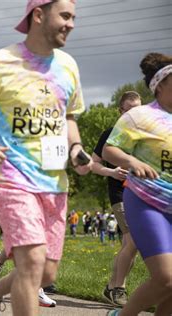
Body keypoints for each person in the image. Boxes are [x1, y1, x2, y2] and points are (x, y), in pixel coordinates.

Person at [0, 0, 93, 314]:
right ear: (39, 15)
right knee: (31, 262)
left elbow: (69, 118)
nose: (71, 24)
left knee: (45, 272)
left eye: (73, 17)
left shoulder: (68, 66)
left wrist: (76, 148)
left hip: (55, 182)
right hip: (12, 178)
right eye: (65, 16)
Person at [104, 52, 172, 316]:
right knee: (166, 278)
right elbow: (110, 150)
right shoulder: (139, 116)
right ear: (161, 84)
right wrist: (132, 161)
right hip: (147, 202)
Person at [91, 90, 141, 306]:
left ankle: (112, 288)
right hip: (120, 194)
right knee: (133, 241)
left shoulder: (144, 137)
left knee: (130, 247)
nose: (134, 114)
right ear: (120, 111)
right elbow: (92, 164)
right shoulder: (110, 134)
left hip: (141, 194)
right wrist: (111, 172)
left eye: (138, 109)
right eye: (129, 110)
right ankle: (118, 288)